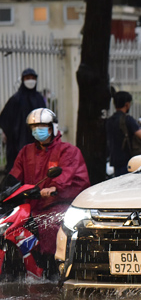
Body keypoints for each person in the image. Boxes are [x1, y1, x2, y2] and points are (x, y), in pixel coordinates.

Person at [6, 108, 90, 277]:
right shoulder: (26, 151)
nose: (38, 130)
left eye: (43, 126)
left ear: (53, 128)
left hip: (59, 203)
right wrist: (5, 188)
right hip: (32, 204)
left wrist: (53, 188)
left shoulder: (68, 151)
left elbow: (65, 175)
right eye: (34, 127)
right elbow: (14, 175)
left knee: (51, 228)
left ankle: (53, 271)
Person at [0, 68, 46, 172]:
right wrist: (11, 135)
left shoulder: (39, 98)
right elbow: (5, 119)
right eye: (27, 78)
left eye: (33, 78)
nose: (30, 80)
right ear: (23, 80)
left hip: (37, 140)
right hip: (18, 142)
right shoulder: (16, 99)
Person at [106, 90, 141, 176]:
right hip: (128, 161)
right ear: (127, 104)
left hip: (114, 160)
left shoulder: (109, 121)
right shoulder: (128, 119)